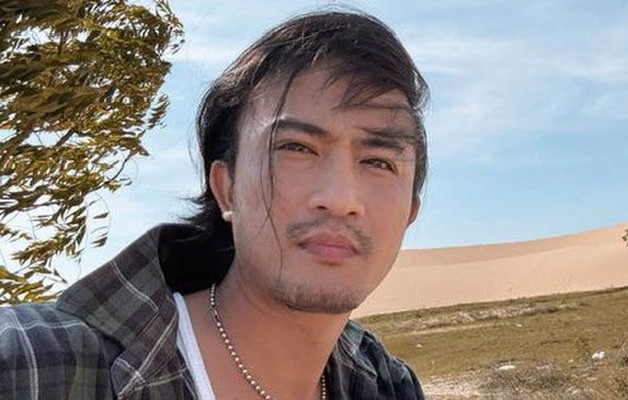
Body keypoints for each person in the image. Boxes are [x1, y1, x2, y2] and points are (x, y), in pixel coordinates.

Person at [0, 9, 429, 400]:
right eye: (297, 148)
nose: (339, 199)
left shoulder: (387, 386)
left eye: (378, 162)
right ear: (226, 189)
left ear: (410, 212)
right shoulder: (33, 367)